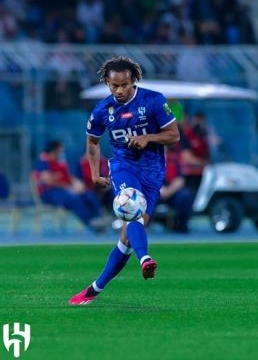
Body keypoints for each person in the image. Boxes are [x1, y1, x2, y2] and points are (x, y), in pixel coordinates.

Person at [69, 56, 180, 305]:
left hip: (152, 171)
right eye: (114, 85)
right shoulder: (102, 110)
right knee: (132, 210)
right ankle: (146, 260)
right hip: (122, 167)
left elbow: (174, 135)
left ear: (133, 81)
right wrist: (95, 173)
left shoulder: (153, 100)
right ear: (107, 83)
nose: (119, 90)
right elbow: (93, 143)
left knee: (128, 237)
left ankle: (95, 289)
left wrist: (148, 138)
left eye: (124, 85)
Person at [32, 140, 105, 232]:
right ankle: (90, 222)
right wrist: (67, 187)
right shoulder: (43, 162)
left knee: (88, 194)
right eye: (60, 150)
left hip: (65, 190)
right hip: (50, 193)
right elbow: (48, 180)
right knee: (72, 198)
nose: (61, 153)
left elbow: (68, 177)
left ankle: (98, 218)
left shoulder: (61, 162)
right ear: (54, 151)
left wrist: (77, 184)